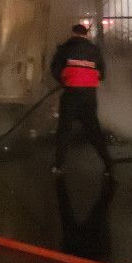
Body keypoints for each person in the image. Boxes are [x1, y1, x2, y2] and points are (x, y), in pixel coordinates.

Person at [50, 23, 114, 177]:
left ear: (73, 33)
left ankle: (58, 166)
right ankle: (108, 165)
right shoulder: (95, 50)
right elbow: (102, 74)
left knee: (64, 130)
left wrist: (64, 80)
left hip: (71, 95)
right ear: (86, 35)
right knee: (94, 131)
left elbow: (55, 69)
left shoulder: (65, 48)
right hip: (89, 96)